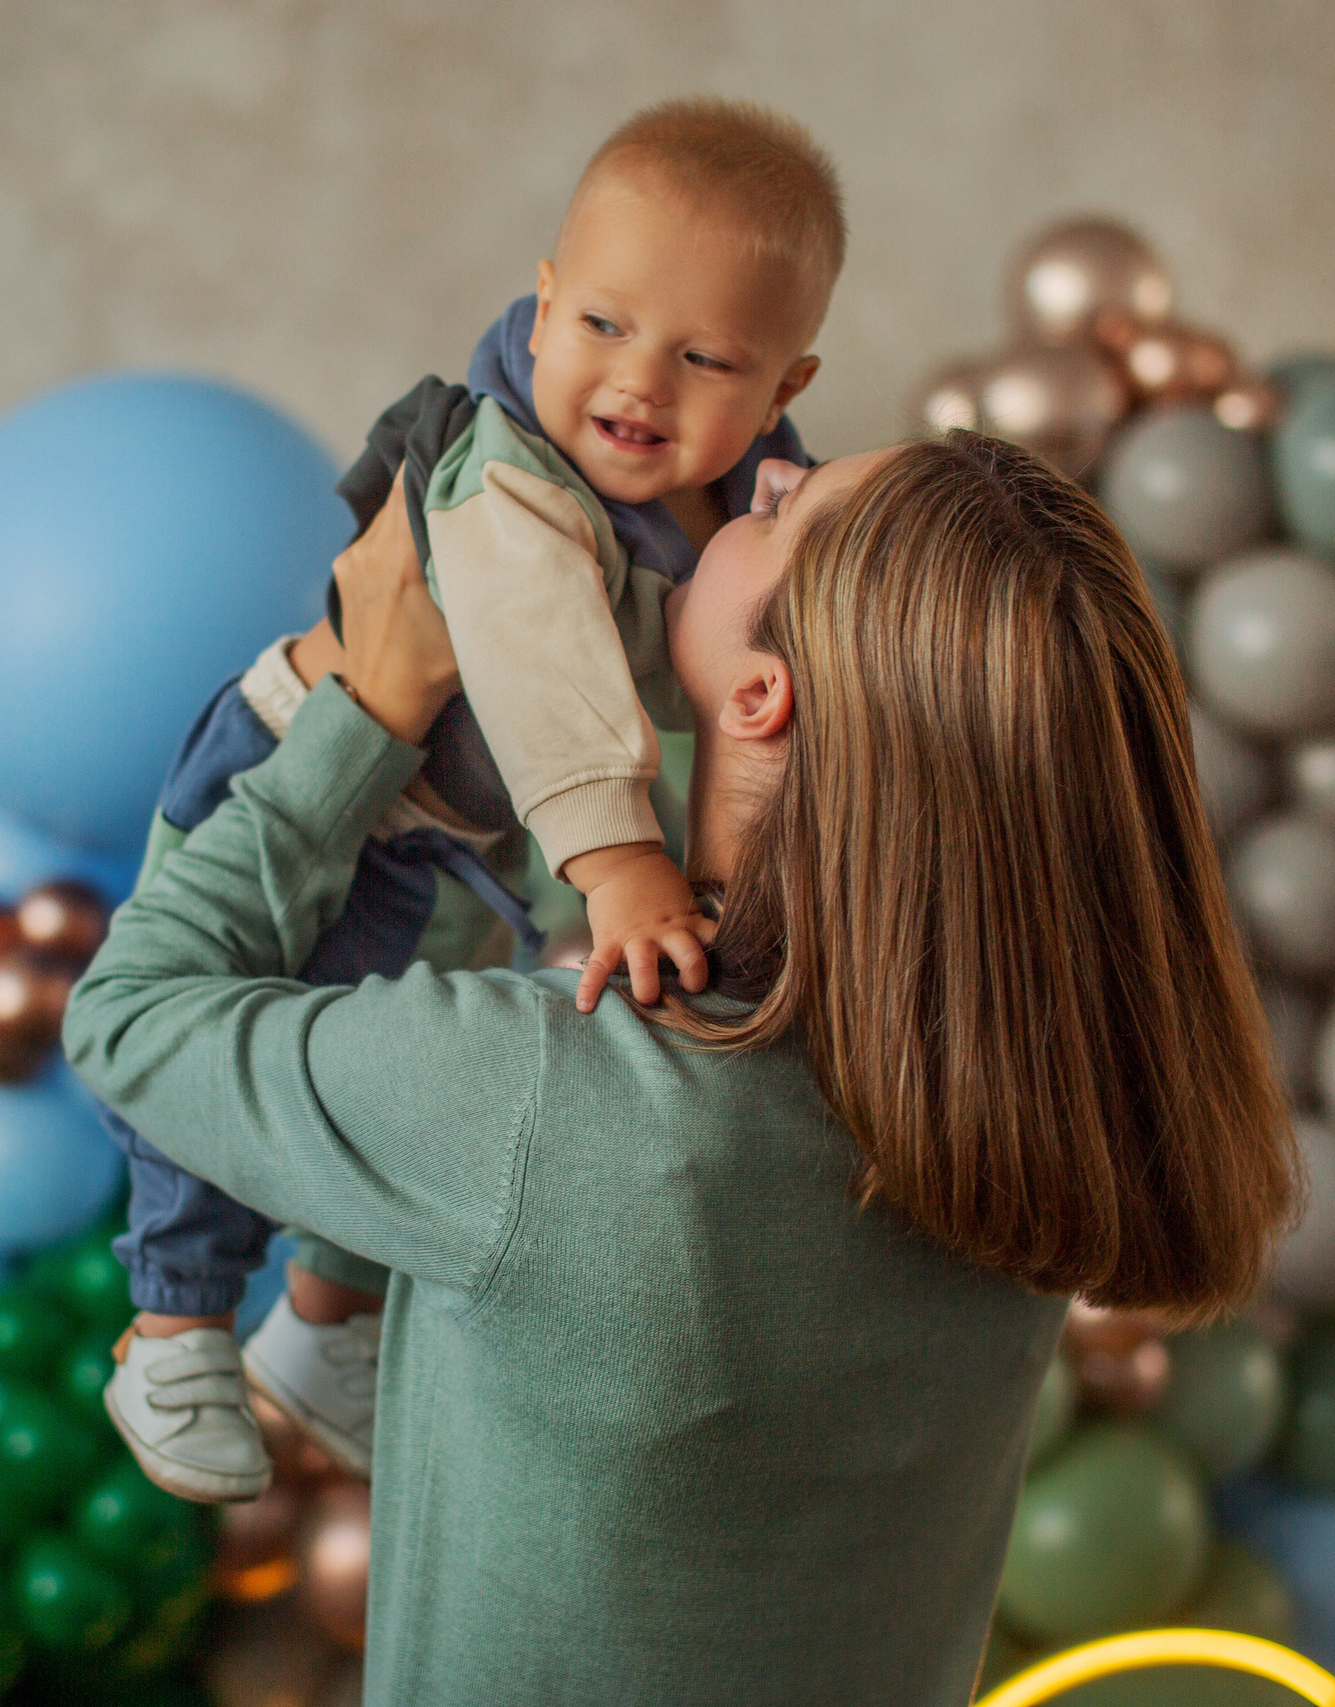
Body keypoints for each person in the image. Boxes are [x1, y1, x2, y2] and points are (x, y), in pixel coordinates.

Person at [65, 432, 1298, 1705]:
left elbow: (129, 1015)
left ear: (763, 696)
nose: (761, 473)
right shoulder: (1017, 1138)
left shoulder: (558, 1099)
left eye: (791, 505)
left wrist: (358, 711)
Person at [101, 96, 846, 1502]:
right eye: (606, 327)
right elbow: (542, 661)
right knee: (235, 1038)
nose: (641, 384)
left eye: (708, 359)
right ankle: (175, 1318)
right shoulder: (508, 477)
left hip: (455, 845)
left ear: (785, 377)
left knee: (395, 1076)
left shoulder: (751, 490)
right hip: (302, 762)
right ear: (546, 296)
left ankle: (326, 1326)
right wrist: (625, 858)